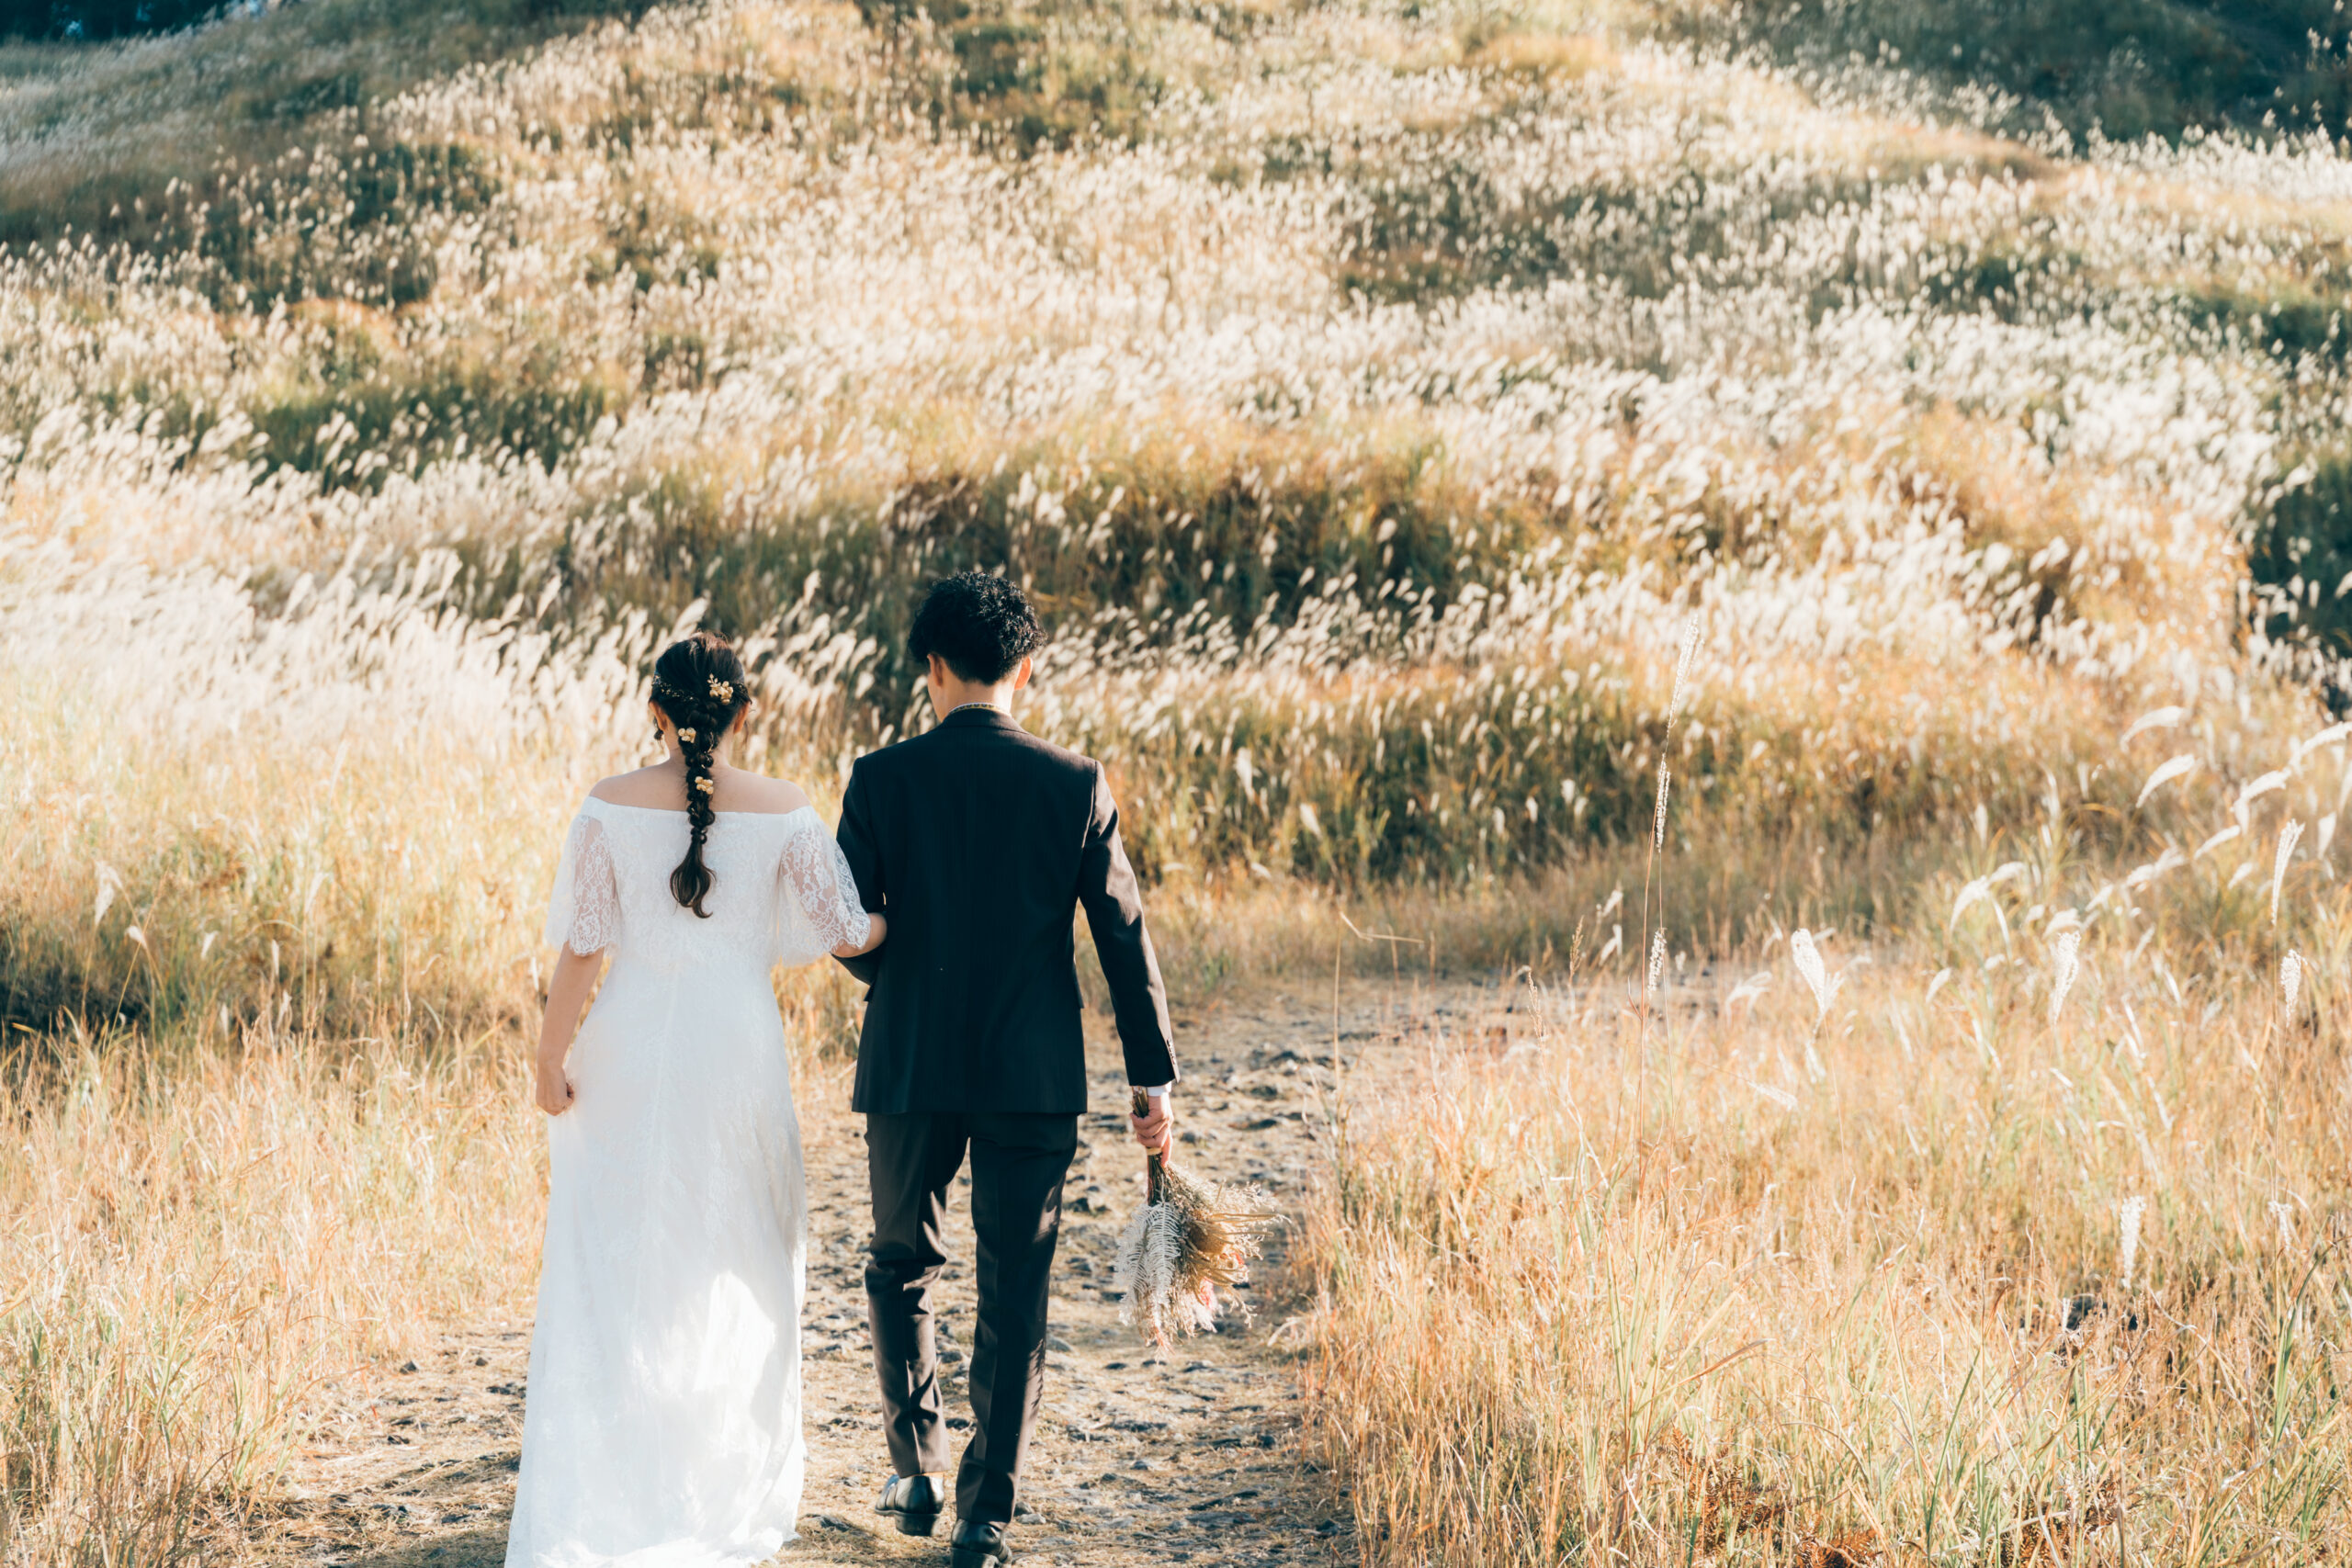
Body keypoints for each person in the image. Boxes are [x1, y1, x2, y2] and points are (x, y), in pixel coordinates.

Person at [509, 631, 887, 1568]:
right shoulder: (790, 809)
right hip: (737, 1055)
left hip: (629, 1050)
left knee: (624, 1259)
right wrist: (911, 910)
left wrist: (549, 1055)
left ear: (654, 712)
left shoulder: (606, 805)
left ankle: (617, 1481)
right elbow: (847, 933)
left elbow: (585, 945)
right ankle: (716, 1480)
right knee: (739, 1252)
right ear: (745, 715)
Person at [834, 570, 1179, 1568]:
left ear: (930, 669)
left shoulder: (880, 779)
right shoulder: (1074, 783)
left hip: (909, 1064)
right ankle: (987, 1514)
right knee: (1014, 1285)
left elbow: (853, 934)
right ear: (1027, 668)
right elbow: (1123, 937)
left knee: (901, 1264)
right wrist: (1150, 1080)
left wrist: (883, 955)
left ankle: (916, 1465)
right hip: (1033, 1074)